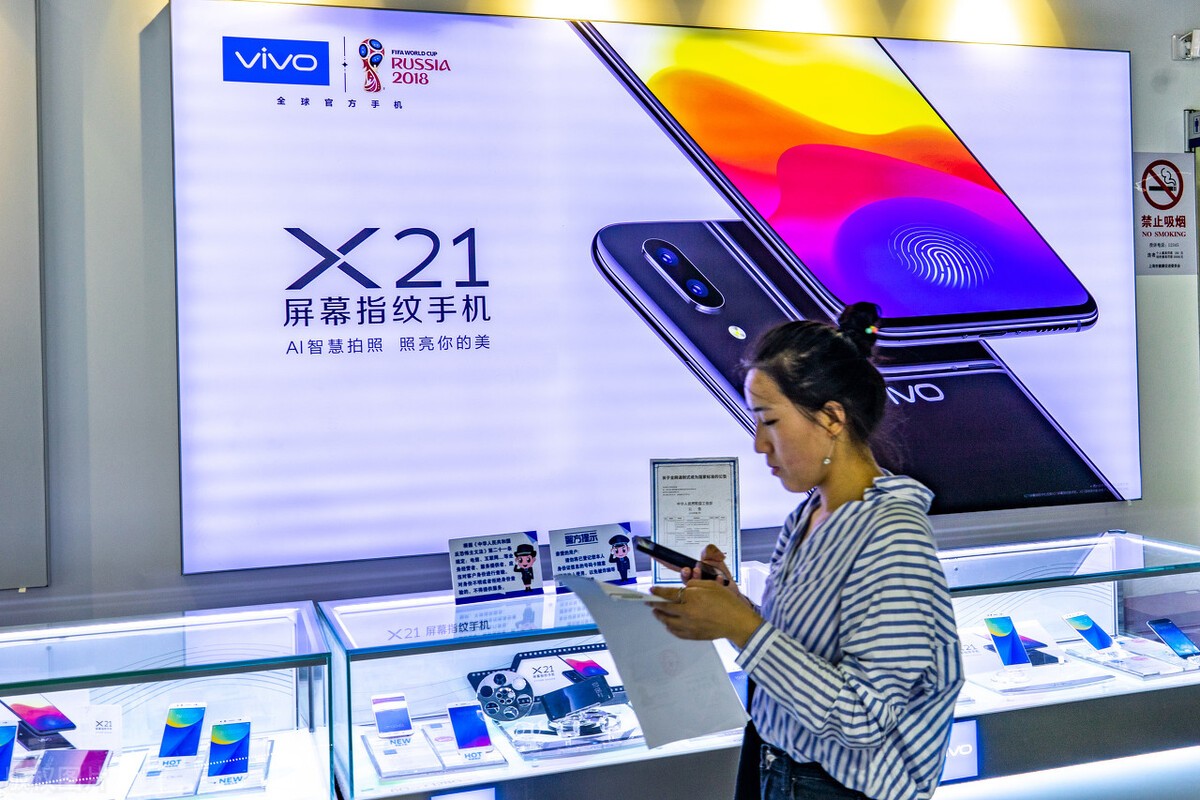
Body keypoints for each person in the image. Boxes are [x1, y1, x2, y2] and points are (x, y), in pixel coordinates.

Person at [649, 302, 963, 800]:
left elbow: (865, 718)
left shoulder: (893, 536)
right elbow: (802, 650)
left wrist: (742, 627)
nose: (759, 444)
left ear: (832, 418)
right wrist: (732, 604)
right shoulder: (808, 516)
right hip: (778, 768)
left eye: (770, 420)